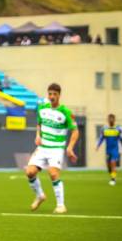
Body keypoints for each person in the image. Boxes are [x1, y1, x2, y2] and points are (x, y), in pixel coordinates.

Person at [25, 83, 79, 214]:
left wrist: (70, 148)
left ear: (59, 95)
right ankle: (40, 195)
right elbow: (39, 123)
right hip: (42, 147)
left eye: (55, 94)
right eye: (50, 94)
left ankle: (61, 205)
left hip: (56, 149)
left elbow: (75, 131)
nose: (52, 96)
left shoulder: (66, 112)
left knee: (53, 173)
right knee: (30, 172)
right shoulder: (42, 108)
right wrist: (37, 135)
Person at [96, 114, 122, 186]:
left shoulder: (118, 129)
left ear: (114, 120)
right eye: (109, 119)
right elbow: (101, 139)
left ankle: (113, 179)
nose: (111, 120)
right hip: (108, 151)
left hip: (115, 150)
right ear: (107, 120)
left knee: (113, 163)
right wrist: (98, 146)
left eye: (112, 119)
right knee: (108, 167)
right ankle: (113, 175)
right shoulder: (104, 129)